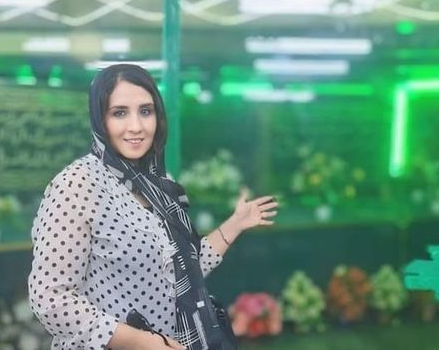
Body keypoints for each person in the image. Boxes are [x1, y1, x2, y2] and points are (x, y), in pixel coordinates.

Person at [29, 63, 279, 350]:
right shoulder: (78, 184)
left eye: (146, 111)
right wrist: (141, 342)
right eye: (119, 113)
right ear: (100, 119)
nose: (136, 126)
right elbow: (50, 299)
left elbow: (181, 275)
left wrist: (235, 224)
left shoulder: (158, 182)